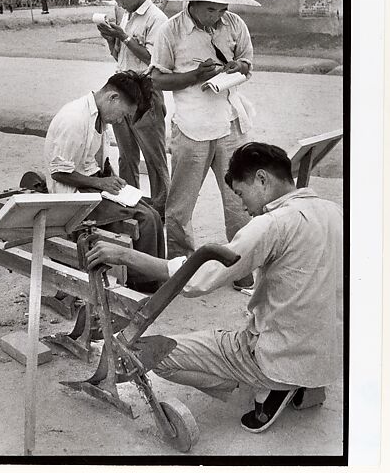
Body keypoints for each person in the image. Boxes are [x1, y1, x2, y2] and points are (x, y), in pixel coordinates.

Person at [86, 142, 343, 433]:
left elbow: (199, 276)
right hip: (327, 356)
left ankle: (270, 383)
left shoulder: (272, 224)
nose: (243, 206)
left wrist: (125, 255)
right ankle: (304, 381)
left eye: (241, 194)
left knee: (152, 354)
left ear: (261, 179)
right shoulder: (334, 211)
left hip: (278, 355)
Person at [149, 0, 261, 289]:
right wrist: (194, 77)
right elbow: (156, 78)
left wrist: (238, 66)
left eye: (223, 8)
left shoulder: (234, 24)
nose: (218, 14)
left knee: (240, 199)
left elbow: (247, 64)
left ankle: (240, 267)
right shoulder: (171, 31)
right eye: (212, 9)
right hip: (191, 126)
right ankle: (183, 269)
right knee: (180, 206)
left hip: (229, 122)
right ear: (193, 3)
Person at [44, 71, 165, 293]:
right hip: (72, 195)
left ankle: (156, 276)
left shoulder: (98, 115)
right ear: (112, 98)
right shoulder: (74, 118)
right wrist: (100, 184)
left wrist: (108, 177)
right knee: (145, 218)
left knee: (154, 213)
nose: (120, 120)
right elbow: (58, 173)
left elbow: (90, 162)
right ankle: (142, 285)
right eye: (122, 114)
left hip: (89, 185)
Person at [95, 0, 170, 220]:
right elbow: (121, 56)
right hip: (122, 91)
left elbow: (152, 58)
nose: (120, 3)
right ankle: (130, 206)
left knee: (154, 159)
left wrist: (125, 37)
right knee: (126, 157)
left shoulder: (156, 19)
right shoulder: (126, 15)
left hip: (146, 95)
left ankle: (160, 211)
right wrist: (111, 39)